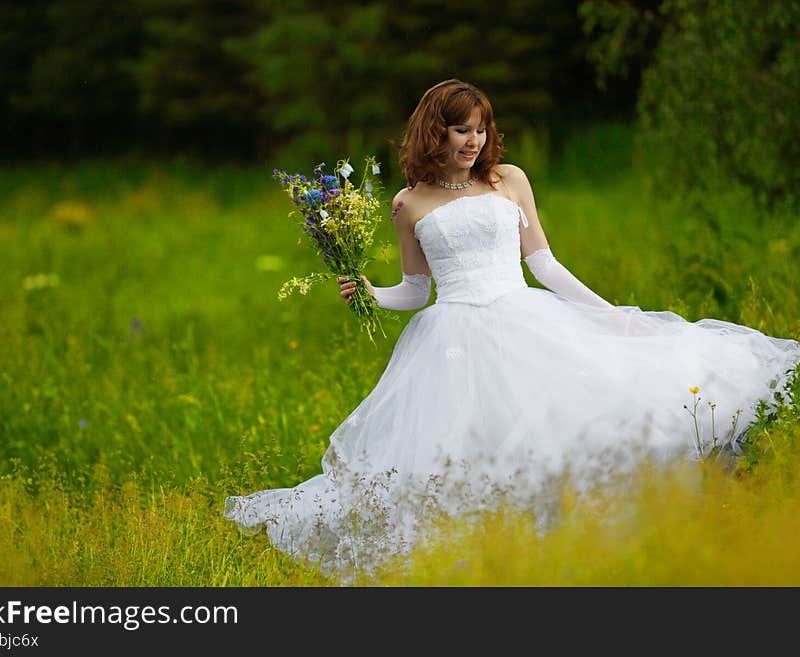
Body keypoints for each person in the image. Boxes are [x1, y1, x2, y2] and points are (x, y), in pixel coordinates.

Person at [225, 79, 800, 581]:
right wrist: (369, 294)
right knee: (465, 457)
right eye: (459, 130)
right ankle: (496, 553)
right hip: (453, 338)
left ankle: (591, 537)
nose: (472, 141)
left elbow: (543, 264)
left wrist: (611, 313)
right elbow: (417, 289)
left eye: (479, 129)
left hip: (526, 318)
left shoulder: (509, 180)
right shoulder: (408, 203)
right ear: (435, 133)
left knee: (584, 421)